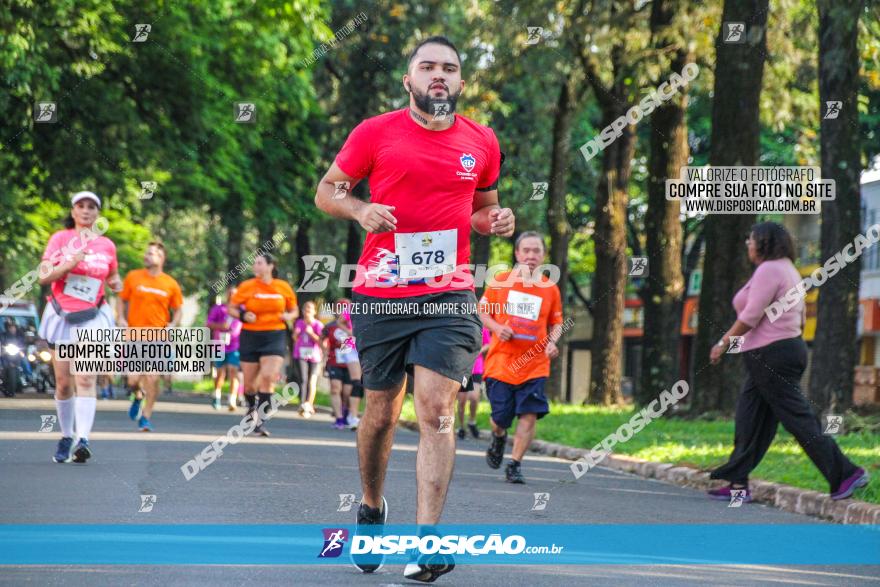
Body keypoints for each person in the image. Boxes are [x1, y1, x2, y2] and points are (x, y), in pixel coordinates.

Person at [315, 35, 513, 581]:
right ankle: (372, 508)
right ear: (409, 80)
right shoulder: (375, 133)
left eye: (449, 68)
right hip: (380, 294)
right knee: (380, 413)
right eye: (427, 67)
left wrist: (494, 222)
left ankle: (427, 541)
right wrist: (359, 209)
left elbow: (482, 211)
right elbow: (326, 191)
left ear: (461, 82)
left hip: (449, 294)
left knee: (435, 409)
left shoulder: (482, 141)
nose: (438, 76)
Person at [708, 222, 869, 502]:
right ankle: (738, 484)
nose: (748, 244)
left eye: (752, 239)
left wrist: (723, 344)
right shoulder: (788, 270)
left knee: (798, 419)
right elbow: (801, 316)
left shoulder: (770, 270)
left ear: (765, 243)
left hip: (771, 354)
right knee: (749, 418)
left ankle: (845, 473)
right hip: (780, 350)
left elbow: (751, 316)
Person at [37, 191, 122, 463]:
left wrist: (116, 284)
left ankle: (82, 440)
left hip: (93, 315)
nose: (86, 211)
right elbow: (43, 276)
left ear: (97, 214)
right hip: (63, 314)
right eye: (81, 206)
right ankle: (65, 435)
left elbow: (113, 273)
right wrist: (69, 264)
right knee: (63, 383)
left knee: (85, 378)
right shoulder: (60, 239)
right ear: (73, 212)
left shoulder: (107, 245)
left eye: (91, 207)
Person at [479, 232, 563, 483]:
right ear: (517, 253)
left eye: (536, 251)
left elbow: (556, 323)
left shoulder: (550, 288)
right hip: (501, 363)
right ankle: (499, 435)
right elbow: (482, 311)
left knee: (529, 414)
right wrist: (496, 328)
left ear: (543, 255)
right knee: (500, 418)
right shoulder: (500, 281)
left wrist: (552, 343)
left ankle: (514, 464)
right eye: (525, 250)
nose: (530, 256)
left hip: (535, 365)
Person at [229, 253, 298, 437]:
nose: (255, 266)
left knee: (268, 377)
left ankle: (260, 421)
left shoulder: (282, 287)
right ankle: (251, 405)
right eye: (254, 263)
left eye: (259, 263)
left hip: (275, 335)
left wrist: (288, 317)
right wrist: (243, 316)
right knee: (250, 385)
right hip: (250, 336)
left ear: (270, 266)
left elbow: (294, 310)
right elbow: (232, 308)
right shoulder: (247, 286)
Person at [117, 242, 183, 432]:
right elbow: (122, 299)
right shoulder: (133, 277)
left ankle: (146, 417)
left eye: (151, 253)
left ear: (161, 258)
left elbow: (178, 309)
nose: (147, 256)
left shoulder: (170, 284)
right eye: (146, 253)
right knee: (132, 380)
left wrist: (173, 324)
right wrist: (120, 317)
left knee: (153, 378)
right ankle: (138, 395)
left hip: (158, 337)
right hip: (134, 336)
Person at [323, 301, 360, 430]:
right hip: (336, 360)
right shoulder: (331, 325)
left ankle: (348, 413)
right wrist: (325, 357)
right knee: (335, 388)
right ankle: (340, 418)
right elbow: (323, 341)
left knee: (347, 391)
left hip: (352, 352)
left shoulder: (364, 310)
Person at [206, 286, 242, 411]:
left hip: (235, 345)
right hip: (219, 344)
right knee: (220, 372)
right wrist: (222, 326)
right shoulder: (219, 309)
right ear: (227, 295)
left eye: (235, 294)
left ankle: (232, 399)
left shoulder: (241, 310)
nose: (232, 296)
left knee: (233, 371)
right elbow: (208, 323)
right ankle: (217, 394)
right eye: (230, 294)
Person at [457, 326, 490, 439]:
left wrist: (477, 351)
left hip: (476, 367)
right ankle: (461, 427)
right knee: (461, 401)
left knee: (474, 397)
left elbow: (488, 343)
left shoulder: (482, 326)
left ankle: (471, 421)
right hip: (462, 367)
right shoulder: (459, 325)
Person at [293, 300, 323, 418]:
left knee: (312, 381)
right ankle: (302, 404)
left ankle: (309, 404)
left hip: (314, 356)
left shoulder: (318, 325)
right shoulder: (299, 323)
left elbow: (322, 342)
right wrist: (295, 334)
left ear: (314, 311)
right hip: (300, 354)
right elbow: (295, 339)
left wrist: (311, 334)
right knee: (303, 379)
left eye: (310, 309)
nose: (307, 312)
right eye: (305, 309)